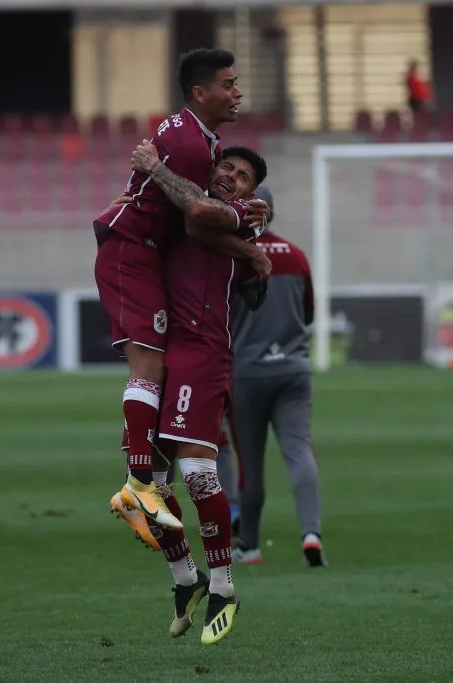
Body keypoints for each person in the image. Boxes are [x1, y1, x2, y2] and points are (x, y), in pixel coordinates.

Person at [92, 48, 269, 533]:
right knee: (147, 364)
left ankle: (152, 502)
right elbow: (196, 217)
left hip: (138, 247)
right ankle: (138, 484)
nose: (237, 93)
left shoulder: (193, 136)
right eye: (229, 85)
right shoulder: (192, 146)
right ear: (200, 92)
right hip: (134, 249)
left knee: (155, 372)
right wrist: (245, 233)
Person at [113, 142, 270, 645]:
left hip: (202, 352)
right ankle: (186, 579)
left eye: (244, 176)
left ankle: (224, 586)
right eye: (227, 166)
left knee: (200, 474)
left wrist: (251, 241)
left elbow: (200, 223)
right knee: (147, 489)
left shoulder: (234, 215)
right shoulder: (189, 203)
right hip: (165, 343)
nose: (232, 177)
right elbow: (176, 216)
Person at [218, 186, 326, 568]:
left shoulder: (232, 255)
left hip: (247, 372)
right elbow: (309, 313)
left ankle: (249, 546)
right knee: (299, 451)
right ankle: (311, 534)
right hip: (294, 369)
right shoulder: (296, 255)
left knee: (251, 464)